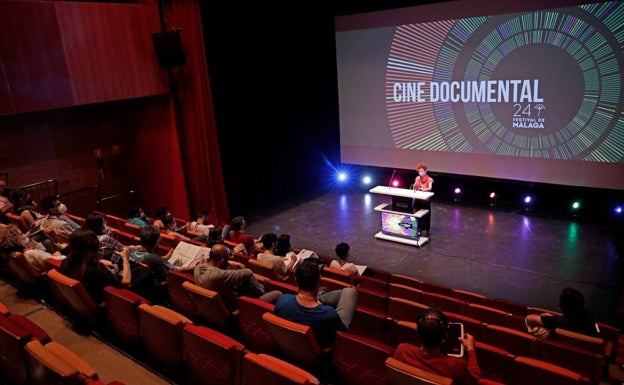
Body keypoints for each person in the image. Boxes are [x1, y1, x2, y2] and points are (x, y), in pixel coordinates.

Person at [273, 260, 358, 349]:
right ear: (319, 280)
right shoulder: (329, 313)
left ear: (296, 279)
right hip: (319, 353)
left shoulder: (282, 300)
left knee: (324, 292)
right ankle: (319, 296)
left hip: (291, 345)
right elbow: (341, 333)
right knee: (351, 291)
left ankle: (318, 297)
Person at [394, 307, 481, 385]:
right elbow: (473, 381)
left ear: (418, 332)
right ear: (445, 336)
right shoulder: (454, 365)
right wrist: (470, 349)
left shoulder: (402, 350)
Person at [194, 243, 282, 312]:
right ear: (221, 261)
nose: (229, 260)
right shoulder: (219, 275)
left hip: (214, 308)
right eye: (228, 258)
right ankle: (262, 296)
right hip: (237, 308)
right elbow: (248, 272)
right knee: (277, 293)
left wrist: (229, 263)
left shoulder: (198, 268)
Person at [60, 229, 131, 304]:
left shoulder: (65, 263)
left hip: (75, 304)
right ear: (94, 248)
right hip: (100, 308)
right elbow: (125, 282)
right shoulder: (98, 272)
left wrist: (100, 262)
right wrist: (125, 259)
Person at [524, 287, 600, 338]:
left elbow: (529, 318)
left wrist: (548, 323)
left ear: (562, 306)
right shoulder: (590, 315)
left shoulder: (556, 322)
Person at [0, 223, 65, 273]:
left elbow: (43, 251)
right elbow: (58, 263)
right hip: (55, 273)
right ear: (16, 240)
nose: (23, 236)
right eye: (21, 234)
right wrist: (58, 255)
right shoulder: (30, 253)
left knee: (47, 242)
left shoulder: (10, 256)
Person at [412, 162, 434, 237]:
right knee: (417, 214)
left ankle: (427, 230)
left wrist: (425, 189)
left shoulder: (429, 179)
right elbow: (415, 186)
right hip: (418, 198)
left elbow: (430, 188)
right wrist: (414, 185)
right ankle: (418, 229)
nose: (420, 173)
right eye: (419, 171)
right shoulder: (417, 178)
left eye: (422, 171)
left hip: (425, 200)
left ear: (425, 171)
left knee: (426, 215)